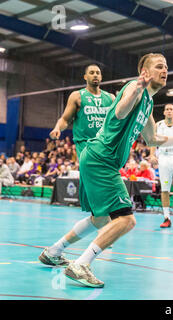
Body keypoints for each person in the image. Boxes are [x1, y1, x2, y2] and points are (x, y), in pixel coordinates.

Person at [41, 53, 173, 288]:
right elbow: (120, 112)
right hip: (101, 158)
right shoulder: (133, 90)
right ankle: (81, 264)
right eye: (159, 66)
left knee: (101, 218)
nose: (165, 69)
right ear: (144, 72)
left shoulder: (148, 102)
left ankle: (54, 251)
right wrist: (136, 89)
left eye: (167, 66)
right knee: (126, 220)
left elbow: (153, 139)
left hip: (99, 159)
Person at [38, 64, 116, 266]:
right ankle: (81, 257)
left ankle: (56, 250)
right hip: (87, 152)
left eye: (98, 72)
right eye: (92, 72)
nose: (96, 75)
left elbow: (117, 122)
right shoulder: (77, 96)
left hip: (106, 152)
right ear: (85, 77)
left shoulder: (110, 99)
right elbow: (65, 119)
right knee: (106, 215)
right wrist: (58, 128)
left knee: (102, 215)